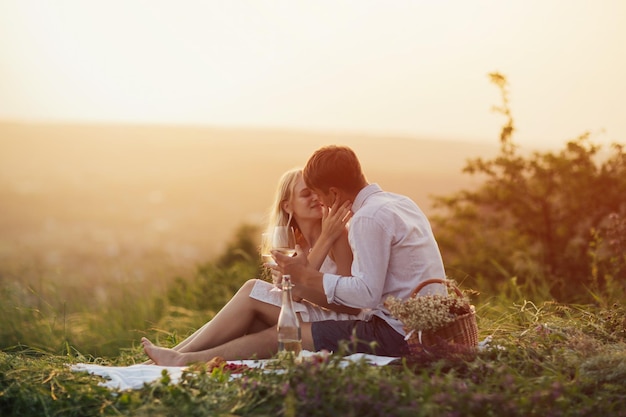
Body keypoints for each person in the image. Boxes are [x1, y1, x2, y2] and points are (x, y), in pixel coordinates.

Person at [141, 168, 366, 364]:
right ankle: (174, 356)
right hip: (310, 316)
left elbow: (351, 304)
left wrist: (302, 279)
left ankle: (178, 357)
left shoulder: (338, 235)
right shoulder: (296, 245)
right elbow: (294, 297)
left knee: (251, 289)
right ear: (288, 206)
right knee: (253, 314)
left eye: (315, 191)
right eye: (305, 194)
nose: (315, 198)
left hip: (341, 323)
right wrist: (295, 286)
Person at [273, 145, 446, 357]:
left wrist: (307, 277)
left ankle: (220, 369)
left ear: (334, 193)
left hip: (397, 336)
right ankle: (219, 360)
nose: (321, 203)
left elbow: (366, 295)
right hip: (425, 330)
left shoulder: (367, 217)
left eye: (319, 195)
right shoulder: (402, 202)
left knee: (280, 334)